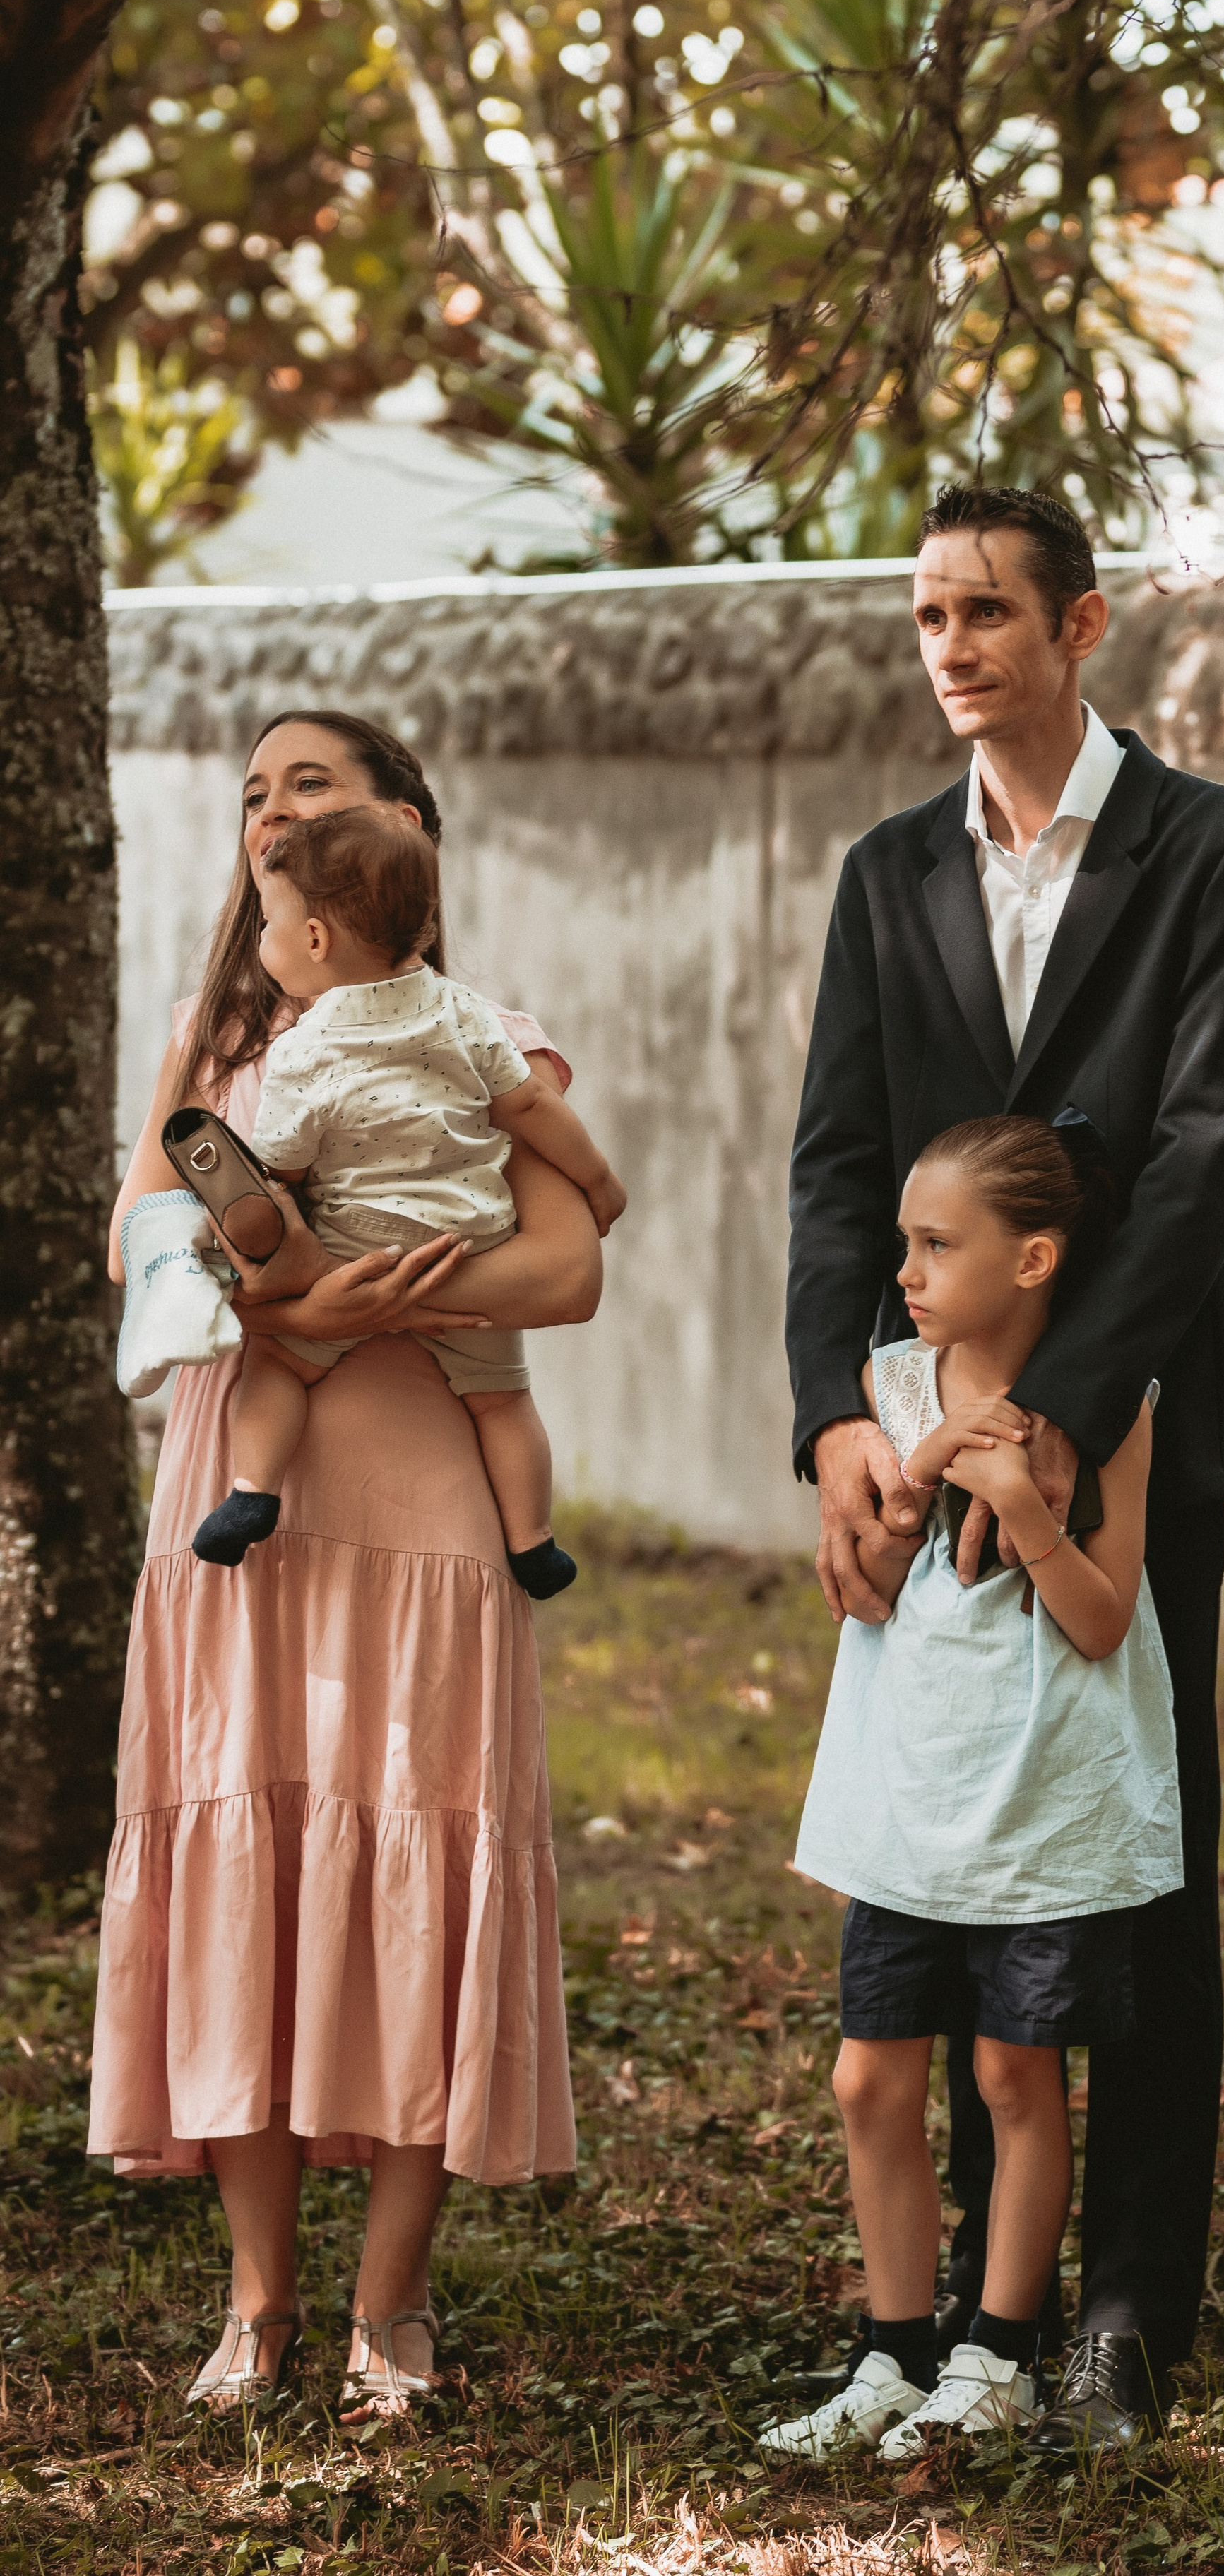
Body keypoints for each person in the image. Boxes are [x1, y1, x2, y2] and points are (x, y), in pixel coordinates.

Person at [786, 487, 1224, 2455]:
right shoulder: (884, 871)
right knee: (941, 1832)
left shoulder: (1219, 855)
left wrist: (1059, 1426)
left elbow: (1199, 1158)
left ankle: (1122, 2312)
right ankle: (944, 2314)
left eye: (987, 608)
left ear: (1082, 625)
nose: (949, 643)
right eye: (925, 612)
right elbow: (839, 1163)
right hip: (913, 1447)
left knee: (1139, 1850)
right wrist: (850, 1421)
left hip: (1133, 1417)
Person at [88, 708, 605, 2418]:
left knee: (409, 1846)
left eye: (304, 785)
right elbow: (137, 1246)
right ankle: (255, 2298)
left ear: (399, 823)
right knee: (248, 1848)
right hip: (248, 1487)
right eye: (249, 794)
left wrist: (378, 1295)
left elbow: (567, 1262)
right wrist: (301, 1301)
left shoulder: (481, 1031)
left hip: (427, 1495)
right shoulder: (216, 1044)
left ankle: (391, 2304)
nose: (267, 814)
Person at [761, 1116, 1182, 2462]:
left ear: (1036, 1258)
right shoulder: (894, 1381)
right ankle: (895, 2352)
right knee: (867, 2081)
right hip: (910, 1797)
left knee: (1016, 2077)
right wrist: (920, 1477)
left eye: (939, 1246)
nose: (911, 1270)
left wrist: (1029, 1500)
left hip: (1041, 1808)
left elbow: (1105, 1622)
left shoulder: (1113, 1398)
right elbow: (872, 1595)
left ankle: (997, 2355)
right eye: (905, 1244)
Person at [192, 804, 624, 1602]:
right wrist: (597, 1178)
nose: (262, 938)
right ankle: (535, 1543)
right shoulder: (464, 1013)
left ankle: (254, 1489)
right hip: (472, 1245)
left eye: (272, 924)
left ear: (314, 941)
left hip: (355, 1254)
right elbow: (527, 1104)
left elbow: (280, 1167)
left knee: (278, 1367)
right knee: (504, 1402)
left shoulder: (304, 1049)